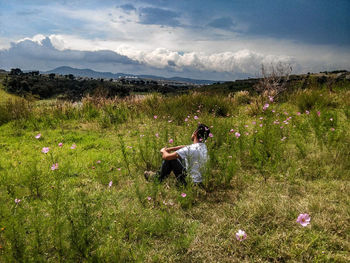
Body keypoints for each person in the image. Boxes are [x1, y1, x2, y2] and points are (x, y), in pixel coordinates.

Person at [144, 124, 210, 186]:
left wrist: (163, 151)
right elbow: (186, 147)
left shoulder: (190, 149)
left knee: (171, 159)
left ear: (195, 133)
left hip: (188, 182)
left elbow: (166, 157)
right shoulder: (203, 147)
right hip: (198, 181)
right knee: (180, 156)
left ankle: (157, 179)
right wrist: (171, 149)